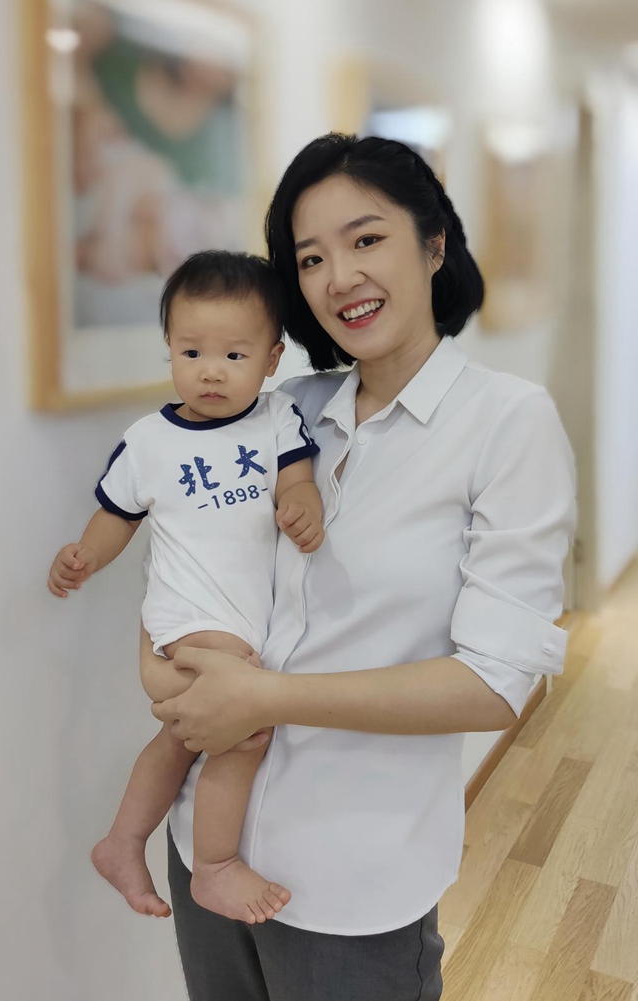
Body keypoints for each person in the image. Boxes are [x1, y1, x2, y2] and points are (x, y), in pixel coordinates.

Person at [148, 134, 577, 1001]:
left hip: (351, 884)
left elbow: (493, 683)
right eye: (311, 258)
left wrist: (266, 697)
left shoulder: (507, 422)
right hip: (205, 844)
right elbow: (187, 549)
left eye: (367, 239)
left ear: (434, 243)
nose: (340, 277)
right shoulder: (284, 413)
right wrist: (162, 665)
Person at [47, 251, 324, 925]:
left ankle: (122, 840)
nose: (210, 370)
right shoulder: (148, 442)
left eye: (234, 355)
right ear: (169, 347)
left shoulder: (277, 420)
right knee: (247, 726)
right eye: (192, 351)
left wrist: (301, 502)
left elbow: (296, 479)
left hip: (243, 618)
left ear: (272, 359)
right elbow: (116, 517)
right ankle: (215, 865)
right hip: (188, 617)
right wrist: (86, 555)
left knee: (182, 737)